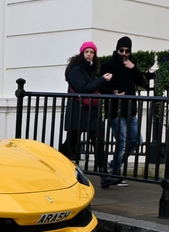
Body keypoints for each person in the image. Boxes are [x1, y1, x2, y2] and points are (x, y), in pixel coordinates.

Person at [62, 41, 118, 188]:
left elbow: (95, 89)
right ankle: (55, 165)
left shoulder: (90, 70)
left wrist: (112, 92)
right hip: (78, 112)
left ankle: (104, 176)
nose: (89, 54)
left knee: (99, 143)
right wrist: (102, 79)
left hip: (91, 113)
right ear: (82, 53)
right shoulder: (75, 70)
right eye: (86, 51)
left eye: (92, 52)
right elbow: (84, 88)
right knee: (71, 143)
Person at [100, 36, 146, 187]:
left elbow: (142, 83)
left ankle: (113, 164)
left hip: (130, 110)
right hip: (116, 110)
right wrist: (113, 93)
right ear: (117, 49)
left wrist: (133, 68)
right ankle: (115, 173)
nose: (124, 53)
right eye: (122, 50)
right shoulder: (109, 65)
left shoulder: (131, 65)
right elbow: (100, 86)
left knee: (137, 141)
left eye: (127, 50)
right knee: (122, 142)